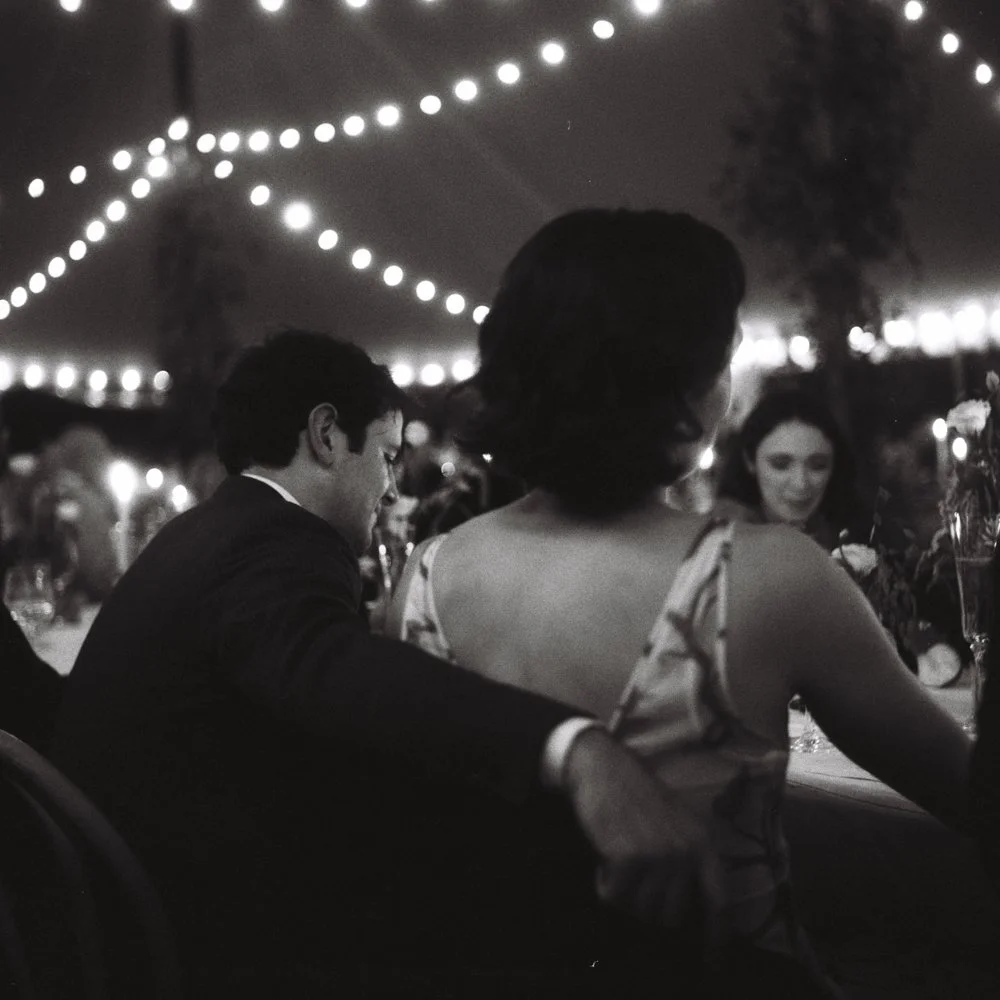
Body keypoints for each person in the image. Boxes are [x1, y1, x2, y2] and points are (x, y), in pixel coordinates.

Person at [388, 208, 971, 995]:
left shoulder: (425, 573)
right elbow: (972, 794)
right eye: (725, 353)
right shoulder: (766, 577)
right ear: (685, 385)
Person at [50, 329, 723, 999]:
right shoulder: (276, 540)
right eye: (388, 455)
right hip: (202, 935)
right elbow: (326, 664)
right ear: (326, 435)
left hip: (122, 892)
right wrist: (573, 746)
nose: (392, 486)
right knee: (530, 864)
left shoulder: (210, 530)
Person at [713, 388, 858, 549]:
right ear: (750, 461)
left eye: (818, 466)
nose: (801, 483)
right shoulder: (722, 541)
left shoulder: (852, 535)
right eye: (780, 464)